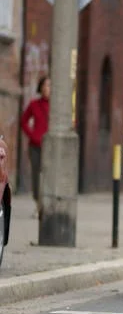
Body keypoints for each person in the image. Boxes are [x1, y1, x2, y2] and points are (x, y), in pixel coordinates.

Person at [21, 76, 50, 218]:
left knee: (48, 175)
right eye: (45, 85)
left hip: (50, 147)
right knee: (36, 176)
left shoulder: (56, 107)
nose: (47, 89)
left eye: (50, 86)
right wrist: (32, 135)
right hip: (35, 146)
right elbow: (23, 121)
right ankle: (38, 204)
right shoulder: (34, 104)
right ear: (41, 87)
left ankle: (45, 205)